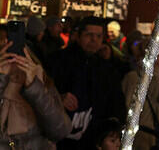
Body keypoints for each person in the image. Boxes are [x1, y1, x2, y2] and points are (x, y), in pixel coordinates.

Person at [0, 24, 70, 149]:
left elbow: (60, 131)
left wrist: (34, 87)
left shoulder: (40, 80)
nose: (4, 51)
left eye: (10, 45)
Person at [45, 16, 126, 148]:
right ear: (78, 36)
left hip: (92, 139)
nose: (94, 40)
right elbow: (41, 91)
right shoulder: (57, 61)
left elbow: (116, 100)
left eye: (98, 36)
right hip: (59, 138)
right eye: (89, 35)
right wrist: (58, 97)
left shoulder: (106, 69)